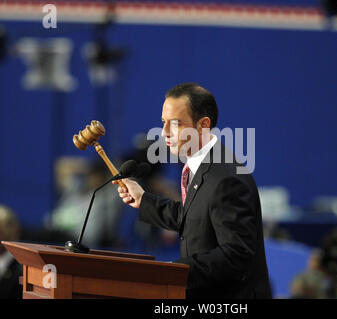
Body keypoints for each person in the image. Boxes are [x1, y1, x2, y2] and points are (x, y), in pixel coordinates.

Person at [114, 82, 271, 299]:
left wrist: (175, 271)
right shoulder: (202, 165)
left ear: (203, 125)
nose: (165, 133)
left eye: (176, 124)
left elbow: (236, 255)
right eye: (163, 123)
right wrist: (143, 200)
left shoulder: (226, 178)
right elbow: (193, 217)